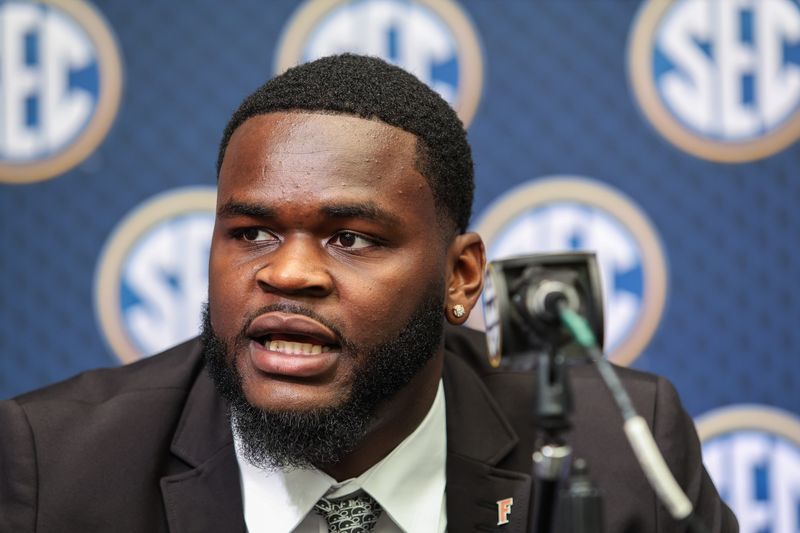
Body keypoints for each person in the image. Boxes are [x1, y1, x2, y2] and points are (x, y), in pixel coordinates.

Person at [0, 54, 736, 533]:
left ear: (462, 277)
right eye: (251, 231)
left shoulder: (619, 448)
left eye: (351, 238)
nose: (287, 274)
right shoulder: (55, 467)